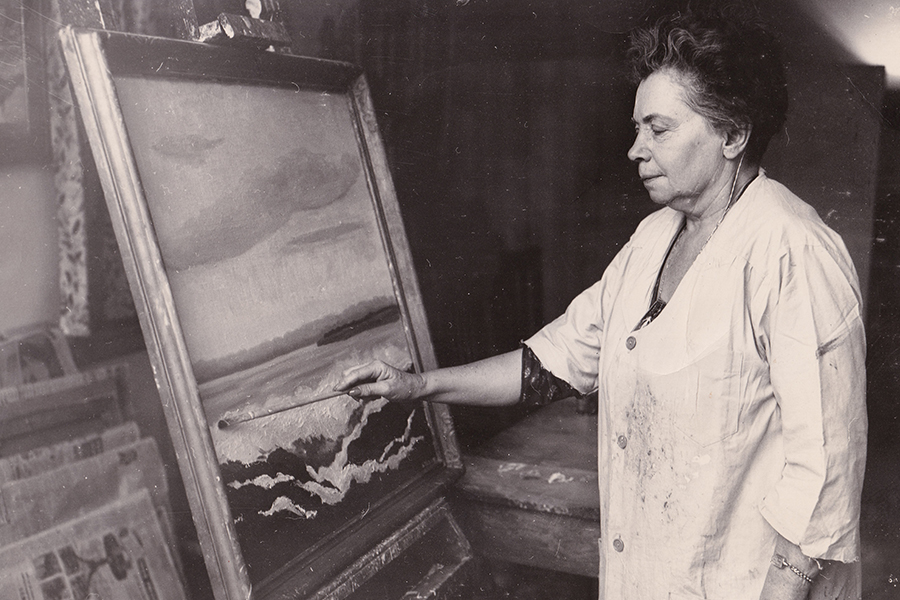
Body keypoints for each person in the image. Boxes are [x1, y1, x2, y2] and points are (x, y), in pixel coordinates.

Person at [334, 7, 867, 600]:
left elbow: (825, 471)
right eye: (637, 128)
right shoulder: (653, 238)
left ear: (733, 134)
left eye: (658, 130)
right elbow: (551, 363)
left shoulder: (793, 250)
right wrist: (417, 387)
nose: (635, 149)